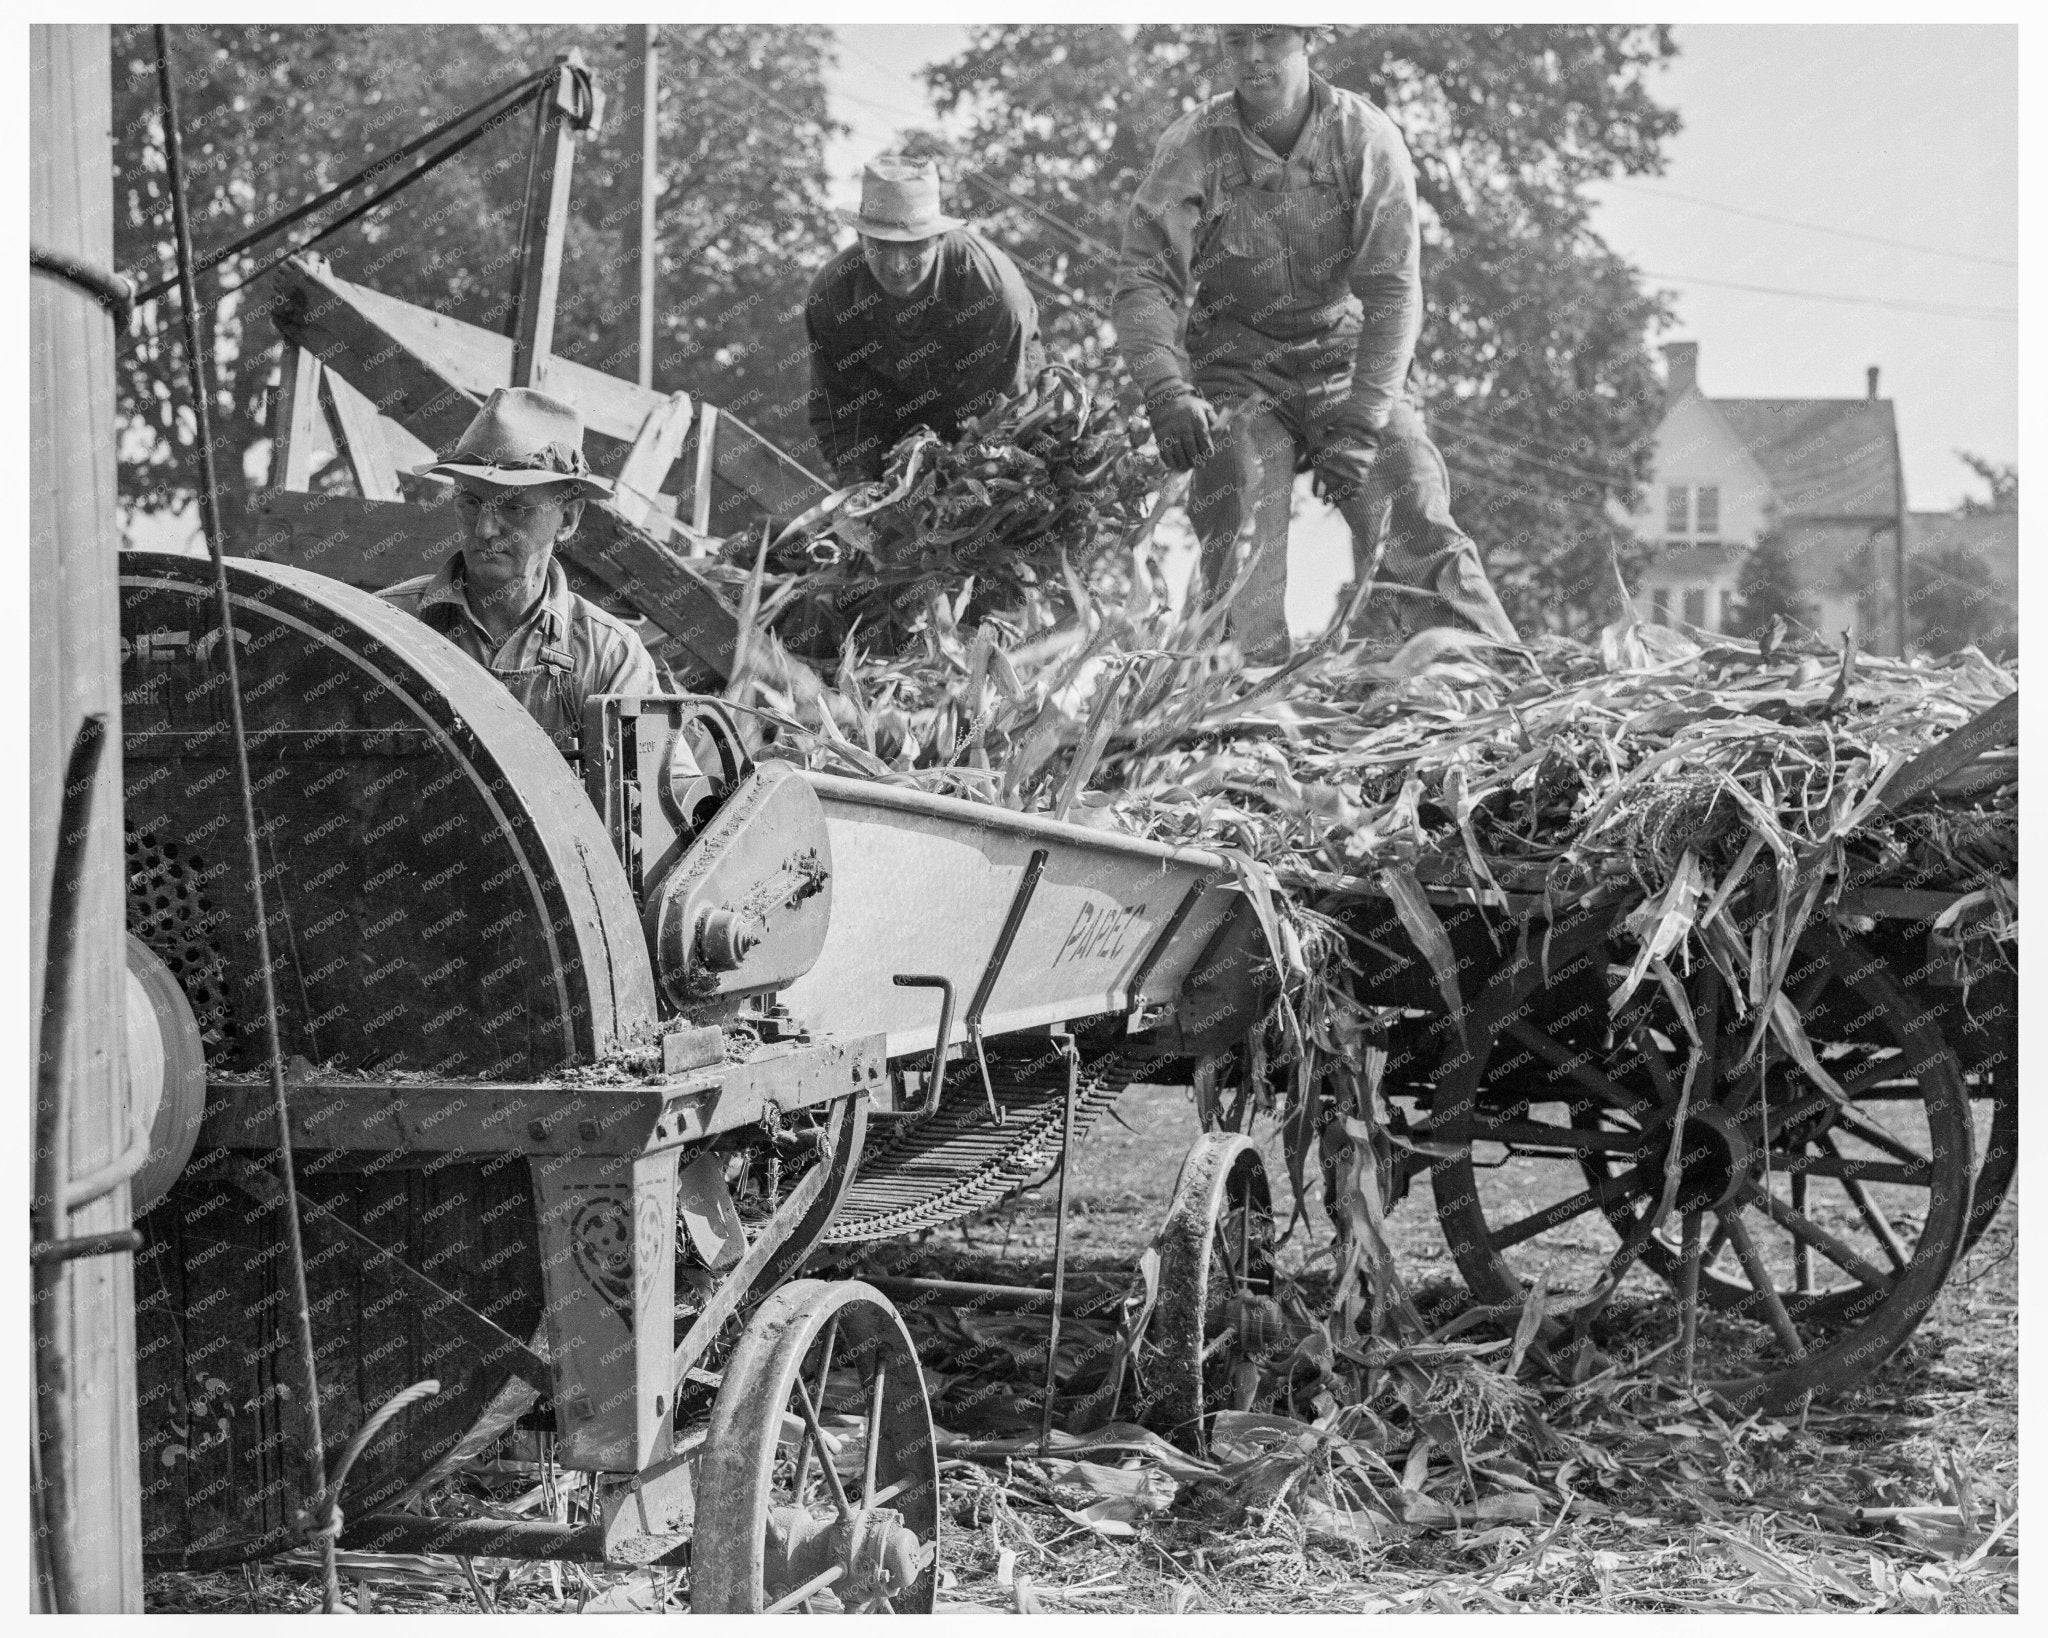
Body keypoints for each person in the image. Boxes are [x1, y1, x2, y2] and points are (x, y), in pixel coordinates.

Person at [1113, 24, 1520, 663]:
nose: (1252, 57)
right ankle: (1237, 687)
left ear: (1310, 39)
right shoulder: (1190, 147)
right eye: (1237, 39)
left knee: (1406, 485)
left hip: (1343, 361)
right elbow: (1144, 283)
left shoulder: (1366, 138)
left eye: (1271, 37)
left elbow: (1394, 295)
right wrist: (1166, 390)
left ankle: (1491, 675)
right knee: (1240, 503)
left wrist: (1362, 424)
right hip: (1237, 369)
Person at [383, 386, 663, 751]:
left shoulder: (609, 657)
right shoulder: (389, 623)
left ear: (567, 518)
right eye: (470, 502)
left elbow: (663, 793)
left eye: (514, 509)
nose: (485, 529)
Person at [805, 153, 1043, 485]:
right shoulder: (832, 296)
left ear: (939, 239)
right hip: (893, 431)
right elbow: (838, 414)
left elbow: (1005, 410)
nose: (897, 264)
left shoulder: (993, 291)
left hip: (989, 418)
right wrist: (860, 485)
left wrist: (956, 475)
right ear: (860, 239)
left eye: (913, 245)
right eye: (881, 245)